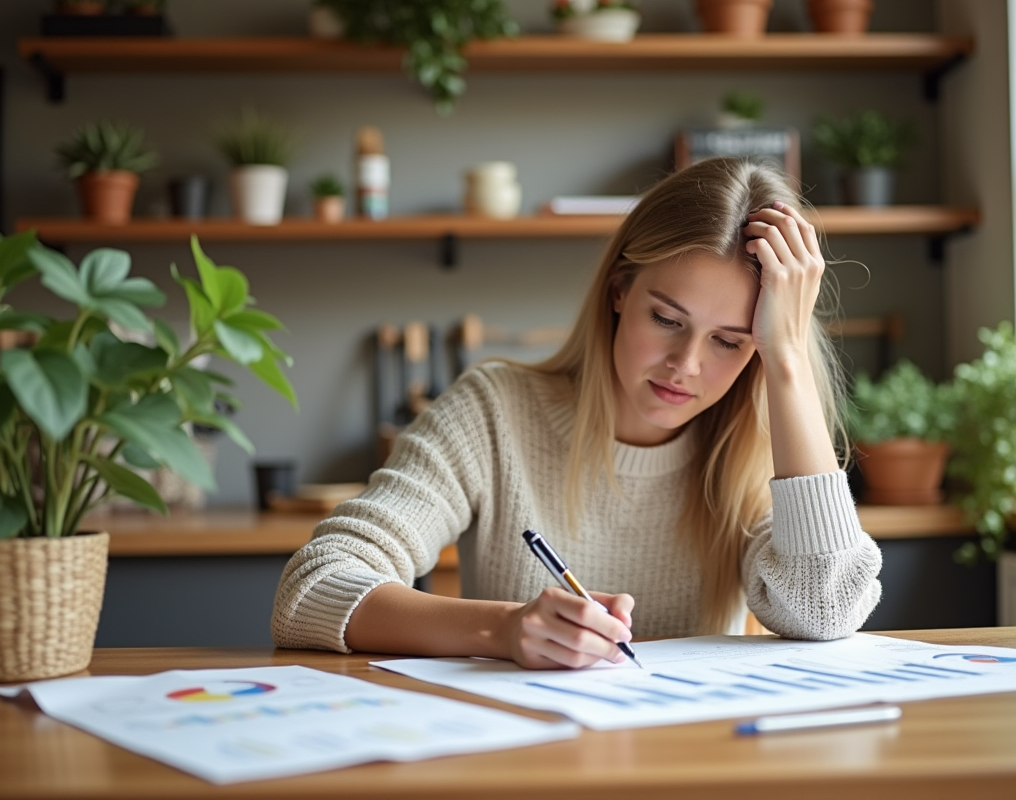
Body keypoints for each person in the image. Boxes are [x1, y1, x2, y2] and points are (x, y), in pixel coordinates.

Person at [272, 157, 882, 669]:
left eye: (729, 341)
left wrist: (790, 359)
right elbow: (312, 590)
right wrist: (504, 631)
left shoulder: (759, 448)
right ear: (619, 292)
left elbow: (823, 609)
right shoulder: (494, 411)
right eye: (666, 320)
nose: (686, 364)